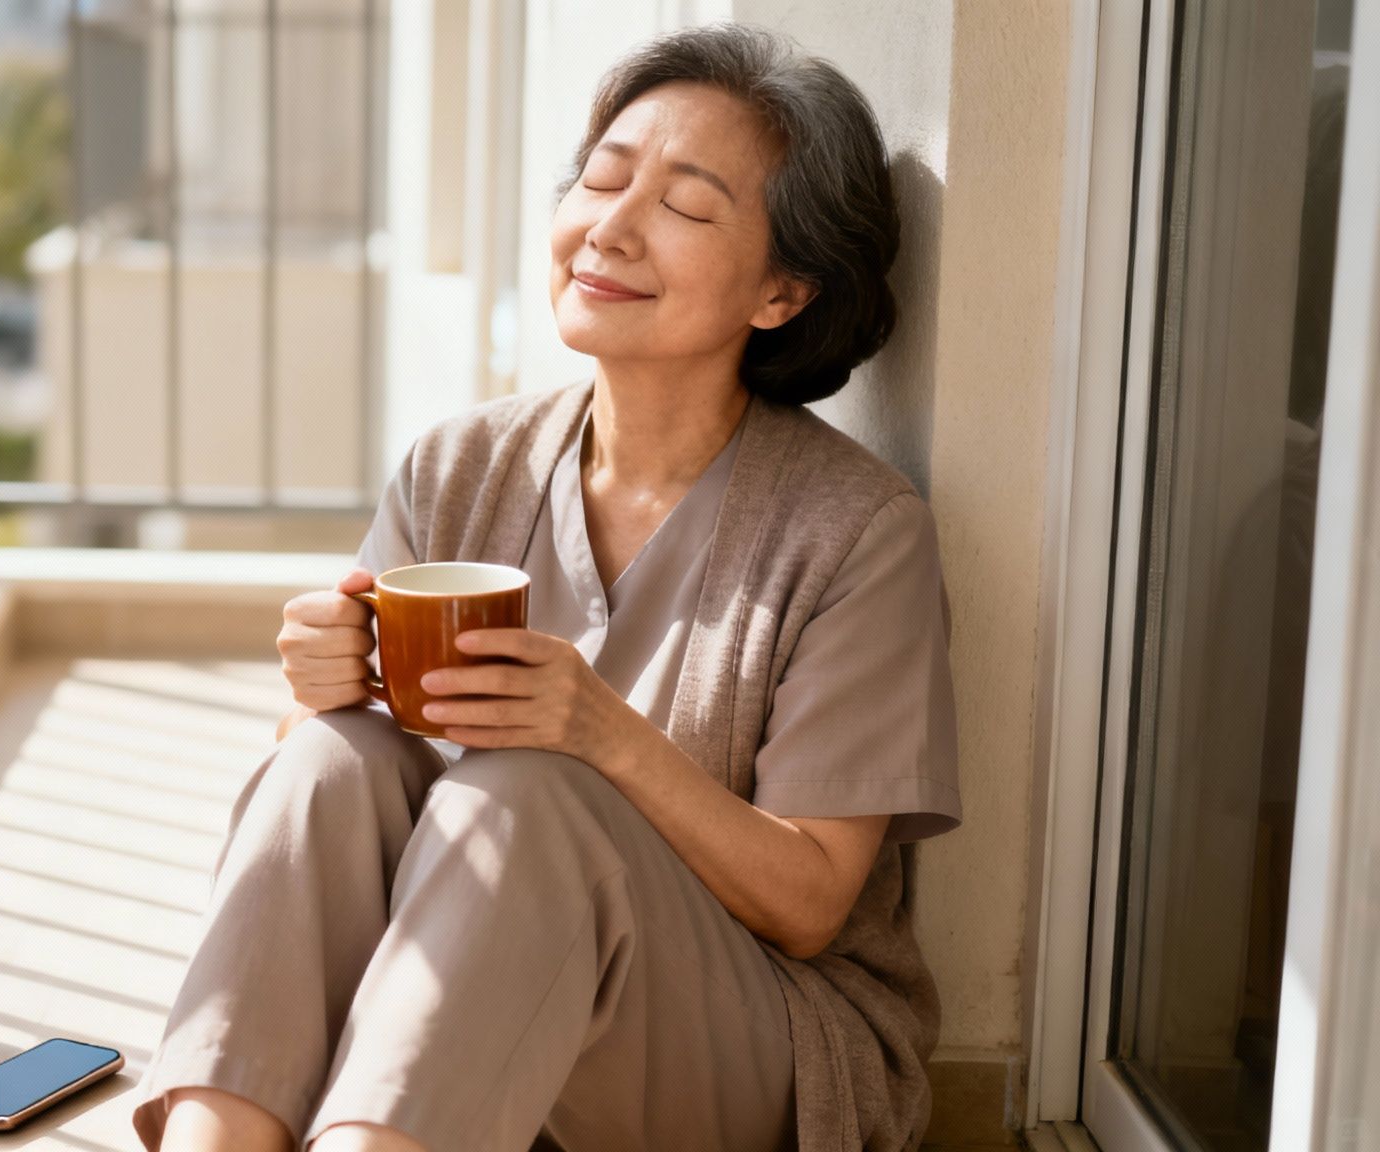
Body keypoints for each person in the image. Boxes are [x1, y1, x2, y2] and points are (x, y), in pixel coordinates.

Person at [132, 23, 961, 1152]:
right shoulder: (457, 464)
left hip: (754, 1041)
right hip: (480, 1011)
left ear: (779, 291)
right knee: (327, 759)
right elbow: (340, 802)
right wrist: (321, 687)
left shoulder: (856, 532)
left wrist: (598, 737)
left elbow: (811, 904)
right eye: (601, 178)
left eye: (682, 205)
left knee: (529, 797)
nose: (607, 228)